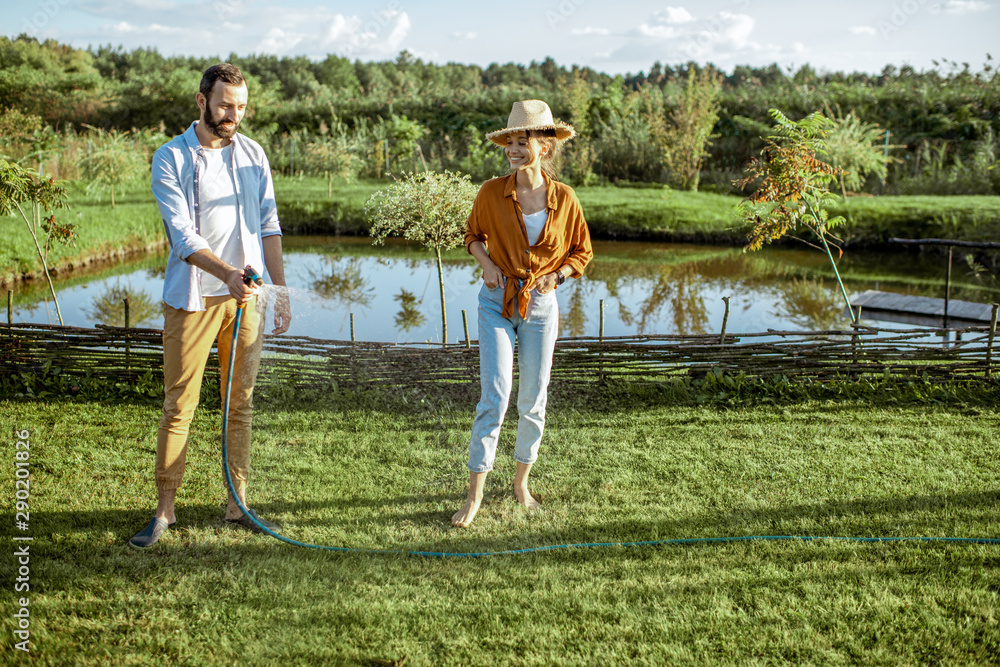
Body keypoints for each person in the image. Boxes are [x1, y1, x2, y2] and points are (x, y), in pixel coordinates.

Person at [130, 63, 292, 548]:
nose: (233, 115)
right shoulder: (170, 157)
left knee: (238, 403)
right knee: (180, 404)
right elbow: (183, 237)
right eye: (225, 105)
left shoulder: (252, 154)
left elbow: (269, 225)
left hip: (249, 300)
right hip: (195, 300)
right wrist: (226, 274)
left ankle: (237, 504)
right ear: (201, 101)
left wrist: (277, 292)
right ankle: (164, 511)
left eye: (241, 107)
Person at [452, 100, 593, 528]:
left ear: (544, 148)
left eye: (522, 141)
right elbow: (473, 235)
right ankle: (474, 494)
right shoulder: (491, 192)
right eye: (510, 142)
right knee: (494, 397)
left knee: (533, 400)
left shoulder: (565, 199)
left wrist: (558, 277)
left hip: (541, 307)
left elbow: (581, 253)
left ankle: (520, 484)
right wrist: (487, 264)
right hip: (495, 303)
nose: (513, 149)